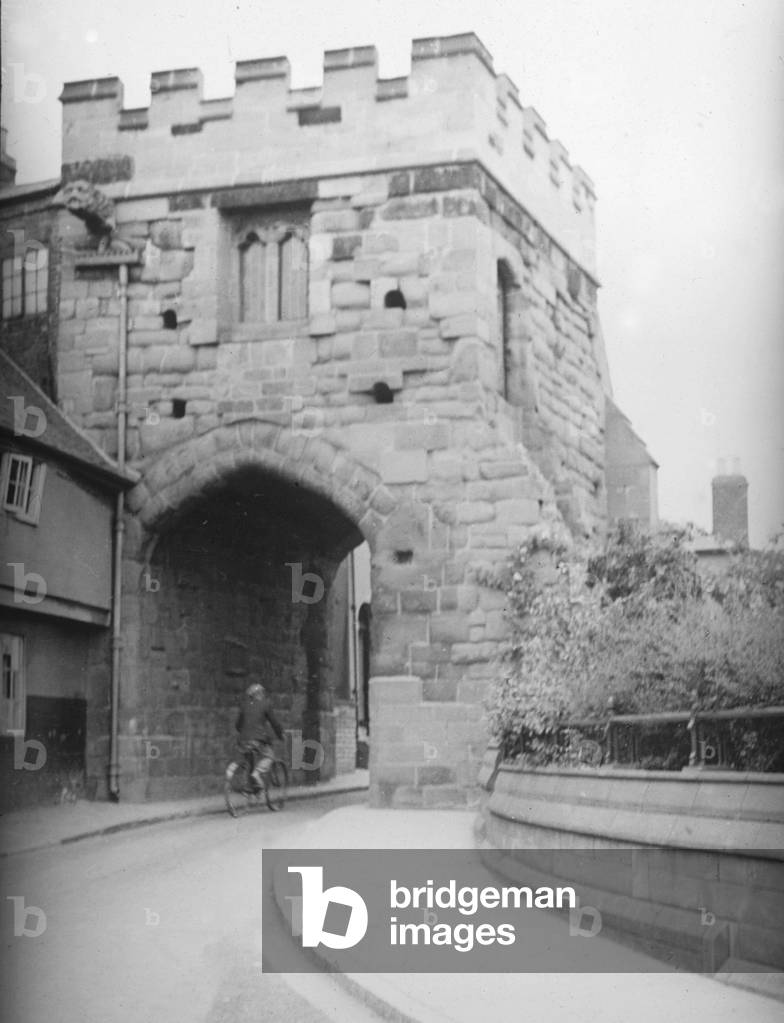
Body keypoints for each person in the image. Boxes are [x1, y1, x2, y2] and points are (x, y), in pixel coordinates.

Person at [235, 682, 284, 788]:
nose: (263, 694)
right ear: (259, 694)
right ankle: (257, 773)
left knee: (249, 759)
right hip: (257, 739)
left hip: (242, 740)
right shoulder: (265, 704)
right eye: (262, 693)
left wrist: (245, 733)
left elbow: (238, 725)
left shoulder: (244, 705)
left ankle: (247, 784)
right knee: (269, 757)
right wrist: (280, 735)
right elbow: (274, 723)